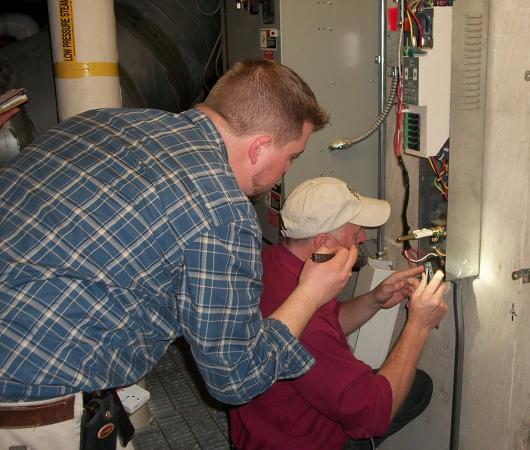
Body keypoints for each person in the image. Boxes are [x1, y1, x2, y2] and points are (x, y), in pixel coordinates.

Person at [0, 60, 357, 449]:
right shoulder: (221, 211)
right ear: (259, 148)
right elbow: (235, 377)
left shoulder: (100, 121)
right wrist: (310, 292)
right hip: (31, 395)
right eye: (291, 156)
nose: (286, 169)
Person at [228, 177, 449, 450]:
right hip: (296, 442)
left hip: (263, 427)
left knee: (416, 386)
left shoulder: (273, 262)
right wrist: (418, 325)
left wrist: (373, 300)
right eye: (354, 230)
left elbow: (324, 324)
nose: (361, 237)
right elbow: (372, 415)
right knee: (408, 393)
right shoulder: (307, 322)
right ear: (322, 242)